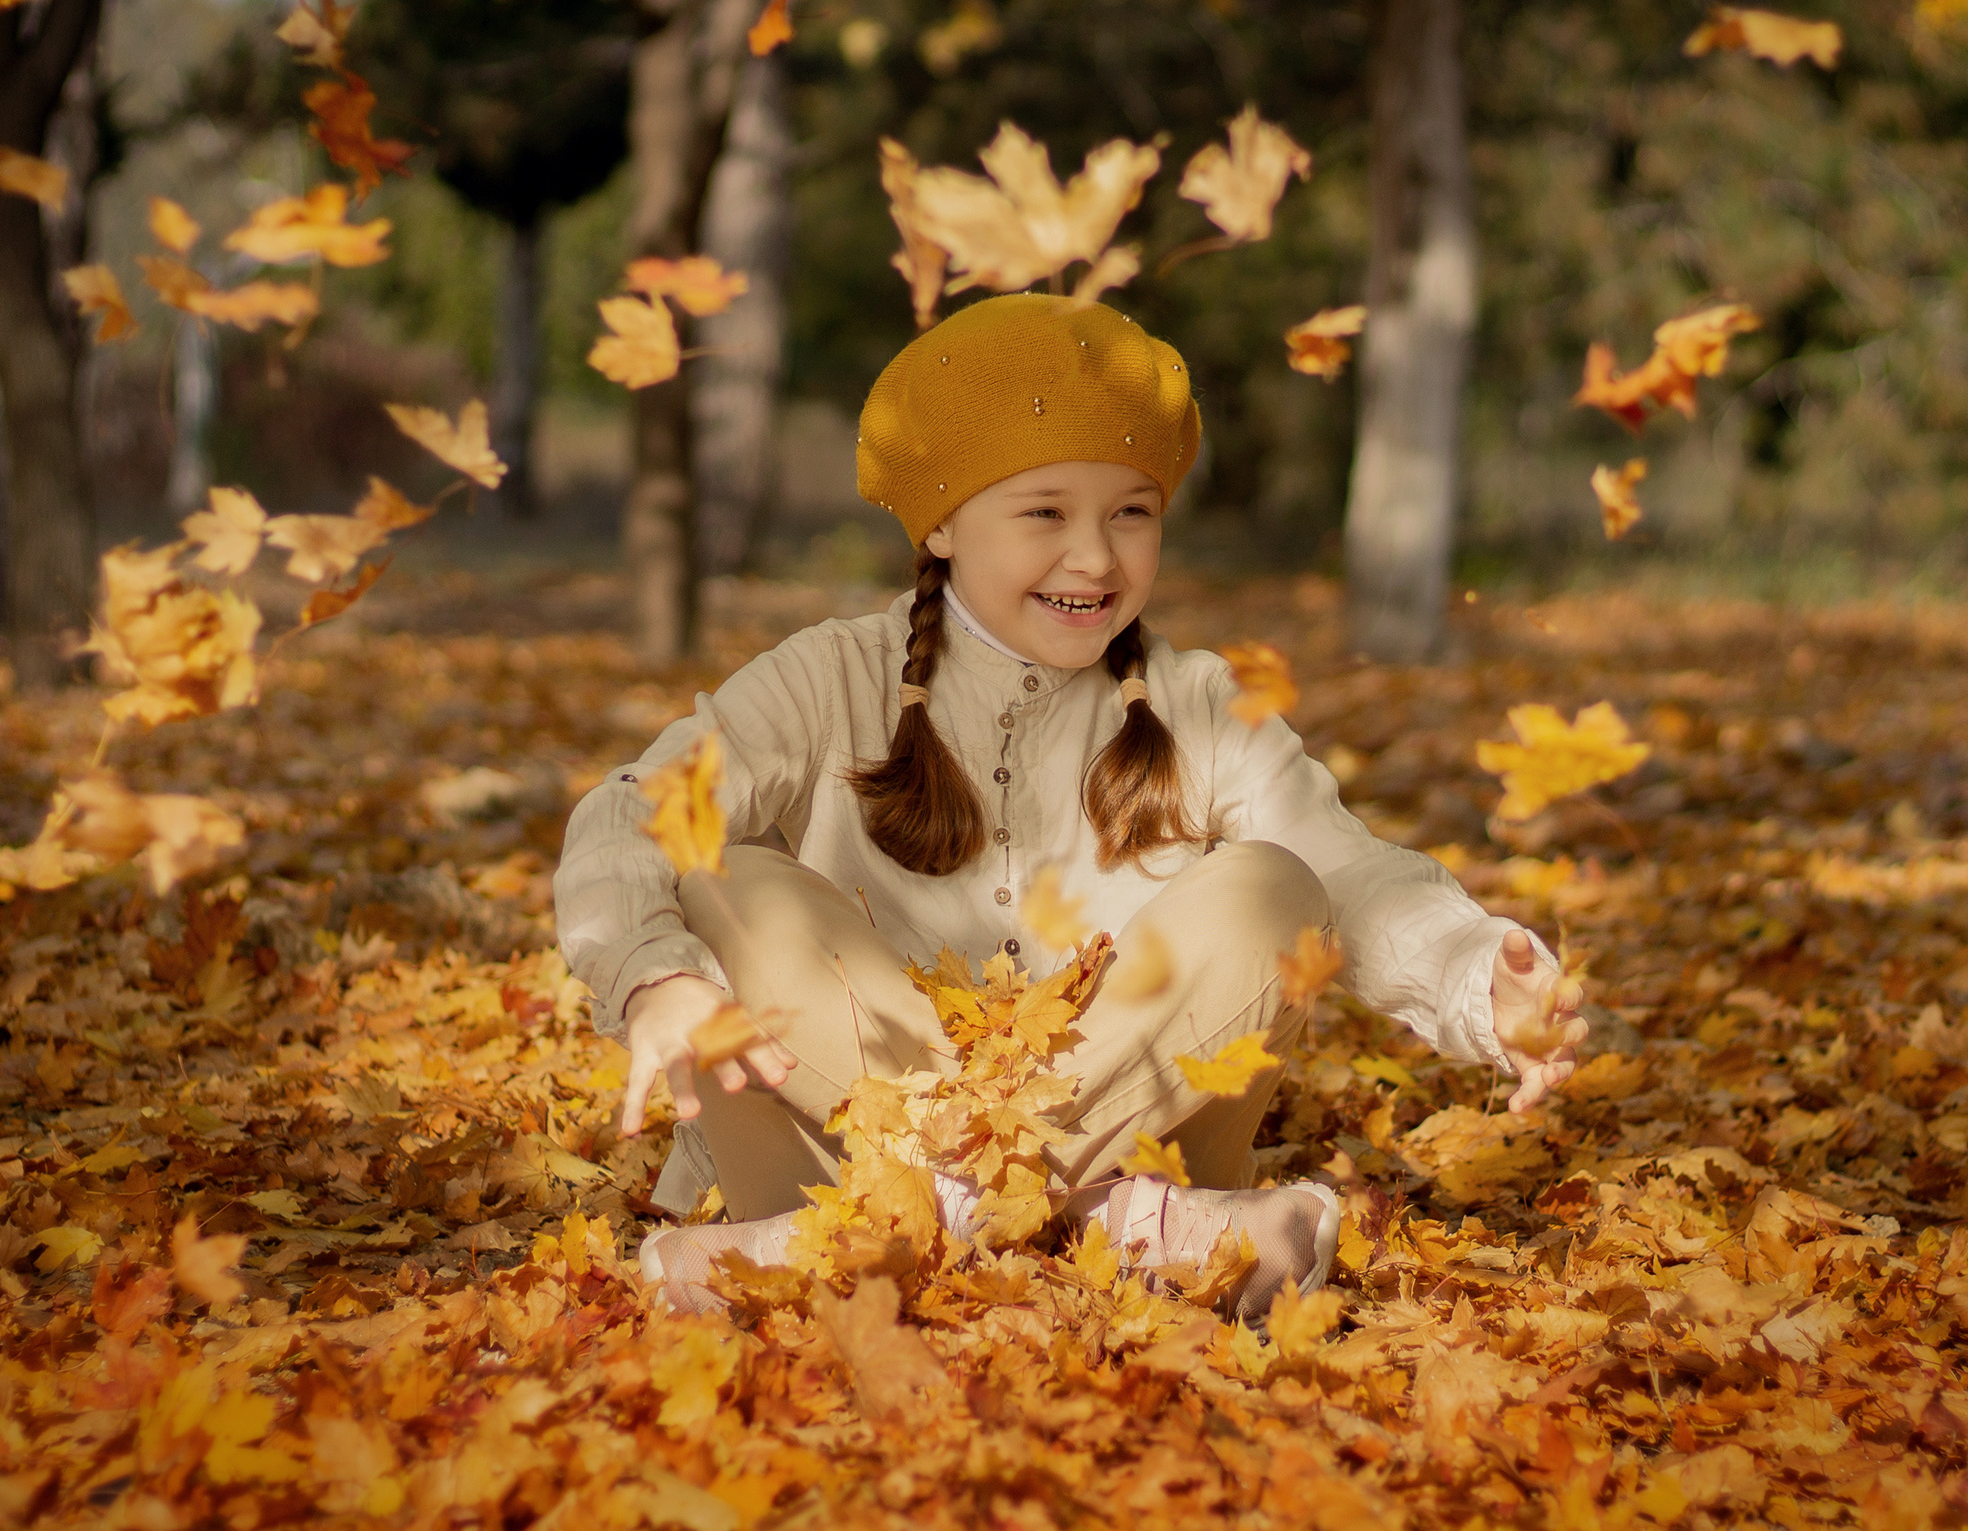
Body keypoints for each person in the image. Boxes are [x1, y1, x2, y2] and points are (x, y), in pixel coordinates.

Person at [555, 294, 1588, 1320]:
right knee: (725, 873)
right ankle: (1073, 1227)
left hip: (1143, 1159)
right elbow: (629, 813)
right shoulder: (827, 679)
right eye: (1045, 512)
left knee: (1279, 884)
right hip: (839, 1142)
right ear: (945, 525)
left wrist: (1465, 969)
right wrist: (652, 979)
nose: (1094, 558)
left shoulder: (1197, 705)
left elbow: (1350, 873)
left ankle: (917, 1228)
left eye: (1129, 513)